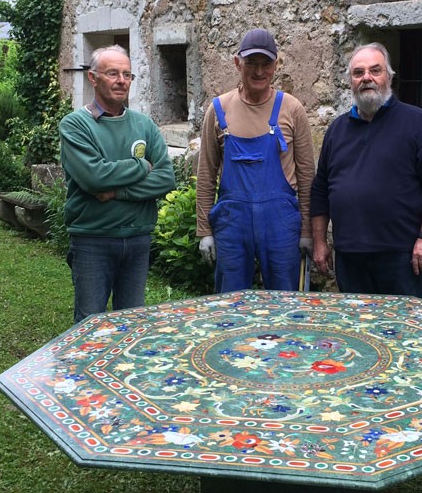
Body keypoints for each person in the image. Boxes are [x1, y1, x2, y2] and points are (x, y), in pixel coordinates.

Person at [310, 43, 422, 299]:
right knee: (356, 334)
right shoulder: (336, 130)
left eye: (375, 70)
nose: (367, 78)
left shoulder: (419, 124)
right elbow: (321, 189)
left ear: (389, 76)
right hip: (350, 258)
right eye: (358, 72)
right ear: (350, 82)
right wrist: (320, 243)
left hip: (403, 257)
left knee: (408, 333)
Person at [59, 45, 176, 322]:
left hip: (138, 238)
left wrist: (116, 191)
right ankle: (86, 366)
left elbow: (166, 178)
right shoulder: (75, 125)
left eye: (127, 74)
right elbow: (94, 177)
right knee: (90, 323)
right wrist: (141, 165)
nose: (121, 81)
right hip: (93, 239)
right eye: (113, 73)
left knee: (132, 322)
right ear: (93, 77)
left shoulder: (144, 124)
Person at [196, 28, 315, 292]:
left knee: (284, 301)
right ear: (237, 63)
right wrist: (204, 231)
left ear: (276, 65)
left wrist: (307, 231)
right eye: (251, 63)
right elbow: (206, 174)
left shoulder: (292, 109)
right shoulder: (218, 110)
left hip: (281, 225)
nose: (259, 72)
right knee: (230, 301)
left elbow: (307, 177)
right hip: (232, 225)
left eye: (266, 64)